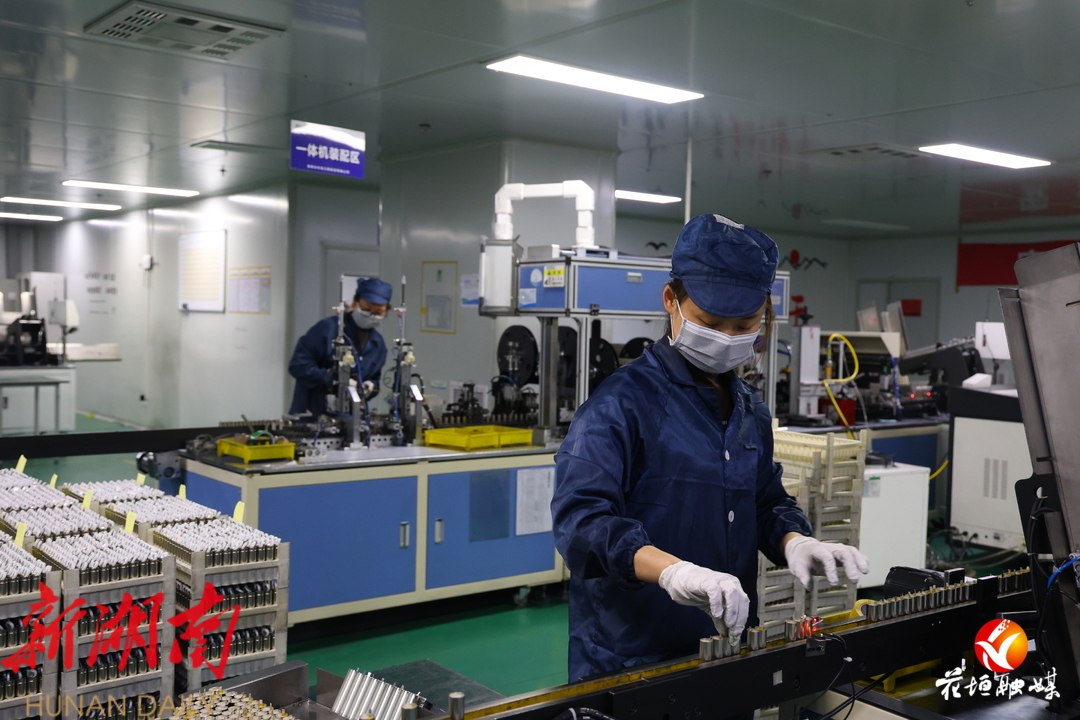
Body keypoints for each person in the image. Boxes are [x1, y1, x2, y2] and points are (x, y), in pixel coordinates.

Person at [551, 214, 869, 683]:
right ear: (671, 301)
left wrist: (795, 541)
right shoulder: (620, 404)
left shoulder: (749, 409)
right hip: (631, 654)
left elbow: (764, 502)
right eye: (710, 322)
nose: (725, 338)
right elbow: (581, 523)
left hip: (726, 644)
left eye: (743, 324)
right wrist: (673, 572)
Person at [288, 277, 392, 417]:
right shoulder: (327, 330)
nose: (371, 315)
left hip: (352, 419)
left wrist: (370, 387)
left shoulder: (377, 344)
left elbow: (374, 378)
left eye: (378, 312)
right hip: (313, 415)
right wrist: (333, 380)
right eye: (367, 309)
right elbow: (298, 366)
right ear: (355, 303)